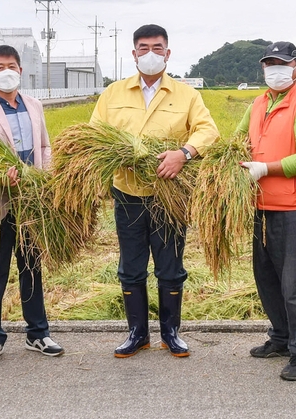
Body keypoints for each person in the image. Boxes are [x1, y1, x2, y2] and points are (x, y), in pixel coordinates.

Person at [89, 24, 219, 359]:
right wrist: (117, 154)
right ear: (133, 54)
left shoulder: (186, 94)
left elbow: (208, 130)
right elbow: (93, 135)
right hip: (127, 193)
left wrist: (184, 153)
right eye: (143, 48)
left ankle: (171, 333)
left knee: (170, 267)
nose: (150, 53)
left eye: (157, 47)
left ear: (168, 53)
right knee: (130, 267)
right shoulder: (113, 93)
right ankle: (137, 333)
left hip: (169, 196)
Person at [0, 45, 64, 365]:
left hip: (30, 201)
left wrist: (41, 175)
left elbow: (45, 147)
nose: (6, 71)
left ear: (20, 70)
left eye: (12, 66)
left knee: (31, 266)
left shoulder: (34, 105)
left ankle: (38, 333)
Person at [237, 41, 296, 381]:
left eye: (282, 63)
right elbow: (238, 139)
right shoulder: (258, 103)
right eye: (269, 64)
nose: (275, 69)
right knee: (268, 280)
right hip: (262, 206)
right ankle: (282, 337)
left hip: (295, 209)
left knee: (295, 284)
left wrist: (265, 168)